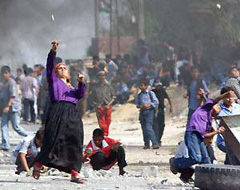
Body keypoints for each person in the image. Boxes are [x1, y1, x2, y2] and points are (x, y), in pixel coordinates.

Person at [33, 41, 86, 184]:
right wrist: (53, 52)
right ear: (56, 73)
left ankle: (75, 172)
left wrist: (81, 82)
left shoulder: (72, 88)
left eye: (64, 68)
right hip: (57, 110)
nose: (62, 69)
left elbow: (80, 95)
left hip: (72, 114)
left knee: (75, 140)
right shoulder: (54, 82)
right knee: (53, 139)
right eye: (59, 68)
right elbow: (49, 67)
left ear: (68, 73)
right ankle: (39, 163)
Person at [169, 90, 234, 182]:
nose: (218, 108)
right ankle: (175, 163)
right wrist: (225, 95)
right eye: (217, 107)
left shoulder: (209, 120)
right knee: (196, 158)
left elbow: (206, 135)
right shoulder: (205, 108)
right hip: (192, 134)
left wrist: (216, 132)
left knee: (206, 160)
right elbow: (216, 99)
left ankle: (208, 180)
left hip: (199, 137)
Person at [0, 66, 28, 151]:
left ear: (9, 73)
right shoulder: (3, 83)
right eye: (3, 73)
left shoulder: (11, 82)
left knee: (16, 126)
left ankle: (30, 138)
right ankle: (5, 144)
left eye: (6, 73)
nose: (4, 75)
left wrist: (8, 106)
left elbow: (12, 96)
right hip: (5, 108)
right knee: (3, 126)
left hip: (13, 108)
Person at [216, 86, 240, 165]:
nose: (230, 99)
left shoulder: (238, 108)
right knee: (233, 150)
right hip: (223, 140)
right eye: (227, 97)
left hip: (237, 138)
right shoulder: (218, 110)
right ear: (222, 97)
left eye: (232, 97)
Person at [135, 80, 159, 149]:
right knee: (144, 129)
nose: (141, 87)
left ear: (145, 86)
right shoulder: (139, 96)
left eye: (142, 85)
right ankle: (146, 143)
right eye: (140, 86)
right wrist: (142, 106)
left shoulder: (150, 93)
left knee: (148, 128)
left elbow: (156, 102)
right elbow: (137, 105)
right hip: (142, 112)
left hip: (149, 112)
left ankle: (155, 143)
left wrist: (149, 105)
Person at [93, 71, 115, 136]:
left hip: (107, 105)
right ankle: (104, 133)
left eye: (103, 75)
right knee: (101, 121)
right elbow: (92, 97)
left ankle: (106, 133)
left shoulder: (109, 85)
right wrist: (95, 104)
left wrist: (109, 104)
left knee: (108, 120)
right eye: (100, 75)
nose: (101, 77)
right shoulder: (95, 86)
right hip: (99, 105)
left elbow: (113, 96)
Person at [151, 80, 172, 146]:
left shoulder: (162, 91)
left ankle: (158, 139)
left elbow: (168, 98)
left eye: (159, 86)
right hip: (154, 111)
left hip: (161, 110)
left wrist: (171, 106)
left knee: (162, 125)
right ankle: (156, 140)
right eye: (157, 86)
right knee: (156, 126)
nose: (158, 87)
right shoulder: (152, 92)